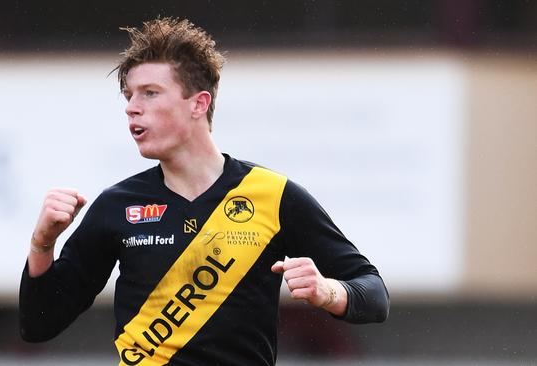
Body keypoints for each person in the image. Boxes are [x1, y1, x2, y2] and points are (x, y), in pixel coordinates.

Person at [19, 17, 389, 366]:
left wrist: (327, 292)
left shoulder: (273, 195)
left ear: (198, 103)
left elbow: (374, 295)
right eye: (129, 96)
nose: (131, 108)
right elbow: (39, 324)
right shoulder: (117, 205)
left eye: (150, 93)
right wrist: (42, 243)